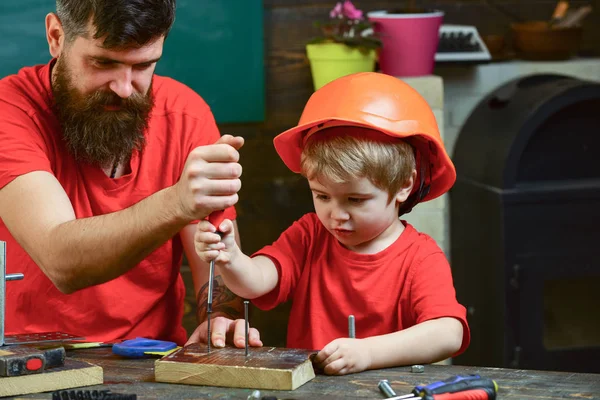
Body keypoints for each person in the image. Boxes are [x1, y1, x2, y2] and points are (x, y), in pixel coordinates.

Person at [0, 0, 262, 349]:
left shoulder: (186, 114)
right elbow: (61, 261)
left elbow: (216, 258)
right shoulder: (10, 111)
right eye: (103, 62)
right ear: (56, 36)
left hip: (151, 356)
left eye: (143, 65)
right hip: (28, 361)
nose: (124, 87)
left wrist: (220, 319)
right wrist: (178, 202)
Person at [194, 72, 470, 375]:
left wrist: (368, 352)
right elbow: (256, 282)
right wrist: (231, 257)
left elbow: (448, 333)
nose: (336, 215)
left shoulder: (420, 257)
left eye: (356, 200)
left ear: (404, 185)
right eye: (322, 196)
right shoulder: (309, 235)